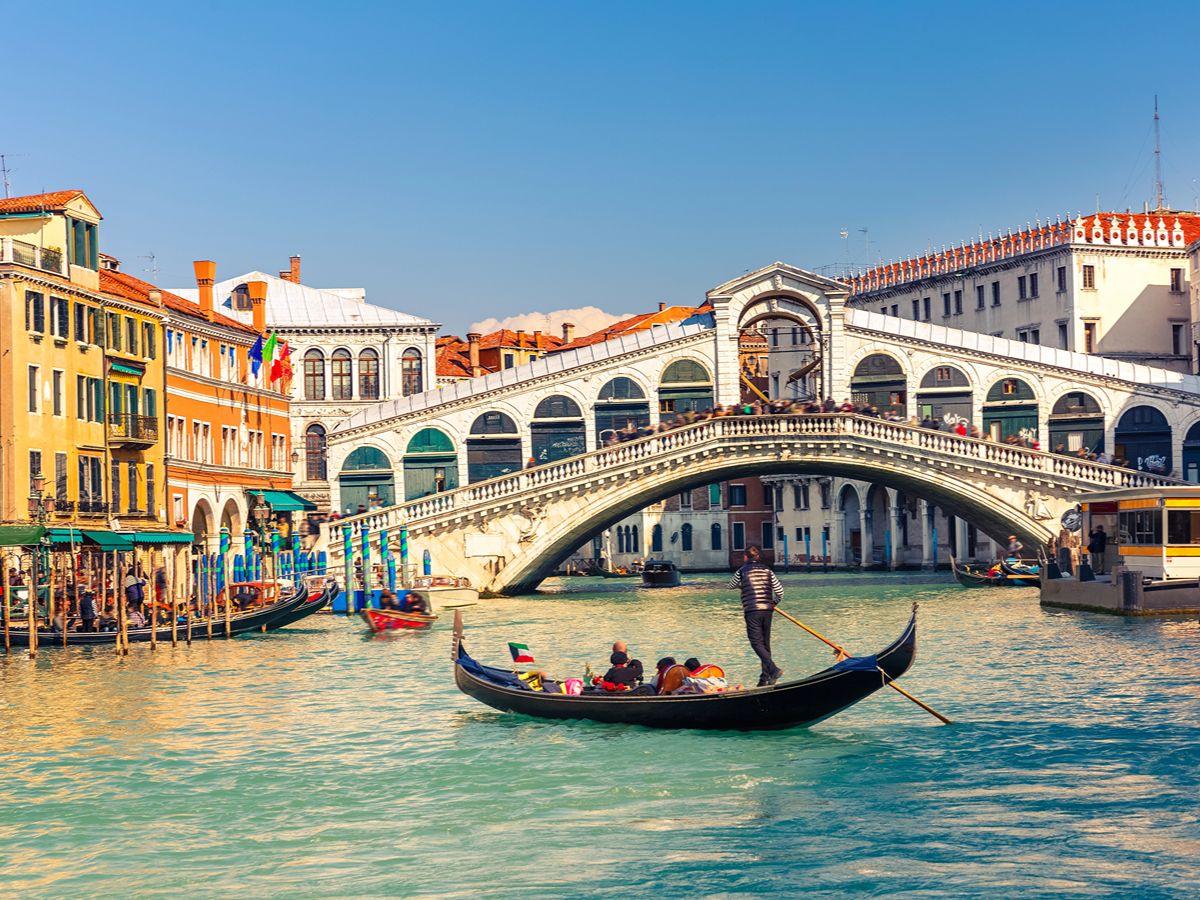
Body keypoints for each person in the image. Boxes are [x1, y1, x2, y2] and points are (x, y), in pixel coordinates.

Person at [728, 545, 784, 686]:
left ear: (745, 557)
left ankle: (773, 669)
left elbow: (730, 585)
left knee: (756, 643)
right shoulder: (768, 571)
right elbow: (780, 591)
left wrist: (741, 585)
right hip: (767, 610)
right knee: (765, 643)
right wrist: (774, 603)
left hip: (752, 611)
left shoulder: (741, 571)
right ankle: (765, 678)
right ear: (758, 557)